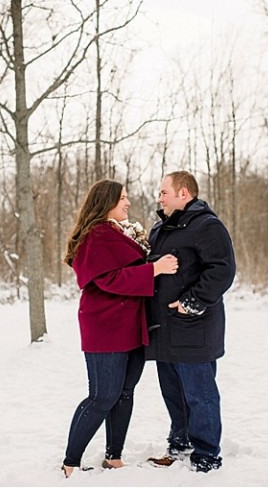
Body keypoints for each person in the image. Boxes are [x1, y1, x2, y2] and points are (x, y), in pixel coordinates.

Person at [61, 179, 179, 478]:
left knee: (125, 392)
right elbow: (108, 279)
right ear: (106, 202)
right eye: (122, 198)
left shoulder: (117, 231)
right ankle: (70, 463)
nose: (128, 203)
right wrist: (154, 269)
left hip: (131, 325)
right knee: (102, 396)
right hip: (106, 326)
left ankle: (114, 456)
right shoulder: (96, 235)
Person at [145, 170, 236, 473]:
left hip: (194, 327)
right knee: (173, 392)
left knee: (200, 394)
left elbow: (222, 270)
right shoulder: (160, 229)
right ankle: (180, 443)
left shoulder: (207, 226)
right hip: (164, 329)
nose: (159, 197)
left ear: (183, 193)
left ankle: (207, 453)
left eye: (164, 192)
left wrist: (190, 302)